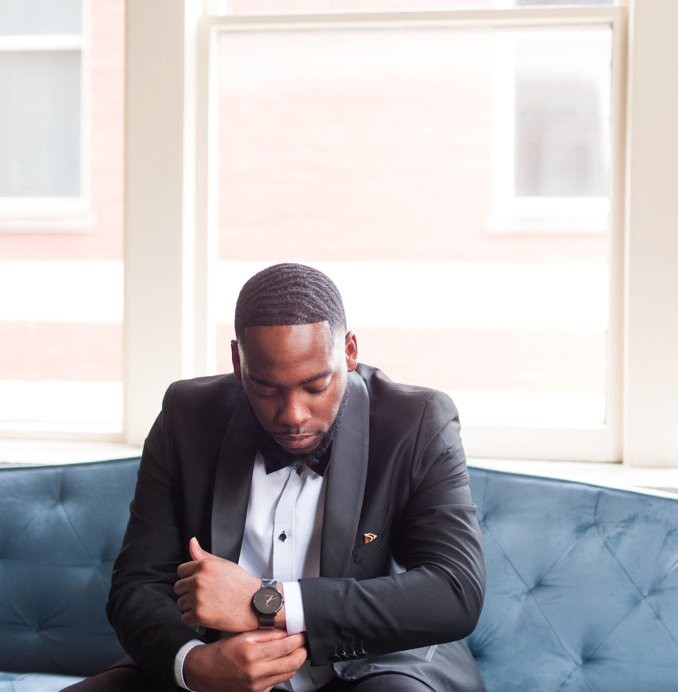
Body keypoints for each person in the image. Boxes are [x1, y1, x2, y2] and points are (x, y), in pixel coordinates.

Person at [69, 263, 486, 692]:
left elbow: (455, 591)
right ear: (237, 360)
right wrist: (195, 665)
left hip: (374, 669)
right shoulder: (186, 416)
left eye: (316, 386)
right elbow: (137, 584)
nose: (293, 415)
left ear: (349, 351)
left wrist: (267, 602)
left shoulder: (416, 423)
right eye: (266, 389)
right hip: (217, 667)